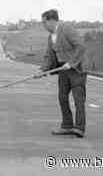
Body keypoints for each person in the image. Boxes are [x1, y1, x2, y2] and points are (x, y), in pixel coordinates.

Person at [34, 9, 88, 138]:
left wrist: (71, 63)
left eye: (44, 22)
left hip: (76, 69)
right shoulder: (51, 37)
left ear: (52, 20)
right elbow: (49, 56)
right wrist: (42, 70)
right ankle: (67, 125)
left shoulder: (66, 29)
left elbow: (81, 46)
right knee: (62, 97)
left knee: (78, 99)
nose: (43, 25)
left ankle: (79, 128)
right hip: (63, 70)